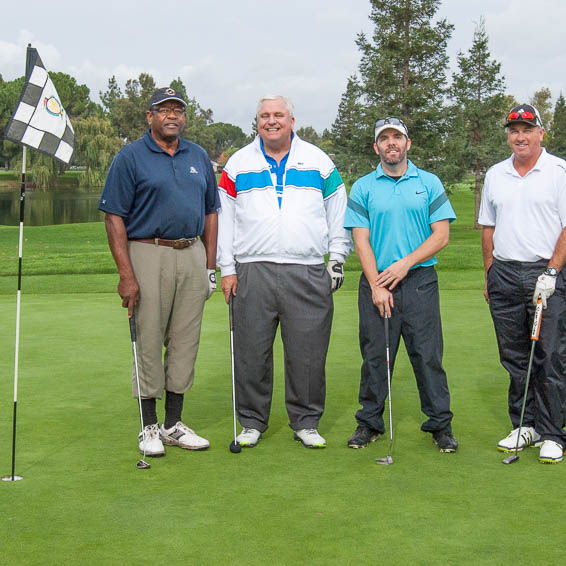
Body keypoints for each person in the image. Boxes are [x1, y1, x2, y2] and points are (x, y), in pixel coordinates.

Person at [217, 94, 351, 449]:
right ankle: (251, 422)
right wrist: (226, 268)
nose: (271, 121)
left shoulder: (318, 161)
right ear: (256, 122)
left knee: (307, 353)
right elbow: (225, 221)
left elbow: (338, 212)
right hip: (252, 269)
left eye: (278, 115)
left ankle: (306, 422)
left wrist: (337, 258)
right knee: (251, 350)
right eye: (264, 116)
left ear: (292, 120)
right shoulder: (239, 164)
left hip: (306, 269)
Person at [99, 87, 220, 457]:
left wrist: (209, 266)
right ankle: (149, 427)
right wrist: (126, 275)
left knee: (185, 342)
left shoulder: (197, 155)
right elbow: (114, 216)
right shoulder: (130, 157)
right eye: (163, 110)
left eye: (178, 110)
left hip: (191, 254)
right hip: (147, 251)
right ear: (149, 116)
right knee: (149, 341)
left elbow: (211, 212)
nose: (172, 116)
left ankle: (173, 425)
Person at [344, 117, 458, 453]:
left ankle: (440, 425)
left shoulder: (429, 182)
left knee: (427, 356)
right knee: (376, 356)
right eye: (384, 139)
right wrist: (377, 284)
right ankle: (369, 423)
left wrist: (405, 264)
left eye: (397, 137)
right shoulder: (364, 186)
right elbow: (360, 240)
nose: (391, 143)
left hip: (420, 280)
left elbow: (442, 235)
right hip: (377, 282)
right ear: (375, 147)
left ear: (408, 143)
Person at [479, 104, 566, 464]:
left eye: (527, 130)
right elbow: (488, 226)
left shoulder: (559, 171)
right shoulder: (496, 174)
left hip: (545, 274)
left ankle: (553, 432)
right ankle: (525, 424)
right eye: (514, 130)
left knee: (550, 355)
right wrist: (489, 272)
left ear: (540, 133)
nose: (520, 136)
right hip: (504, 274)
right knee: (514, 356)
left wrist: (552, 271)